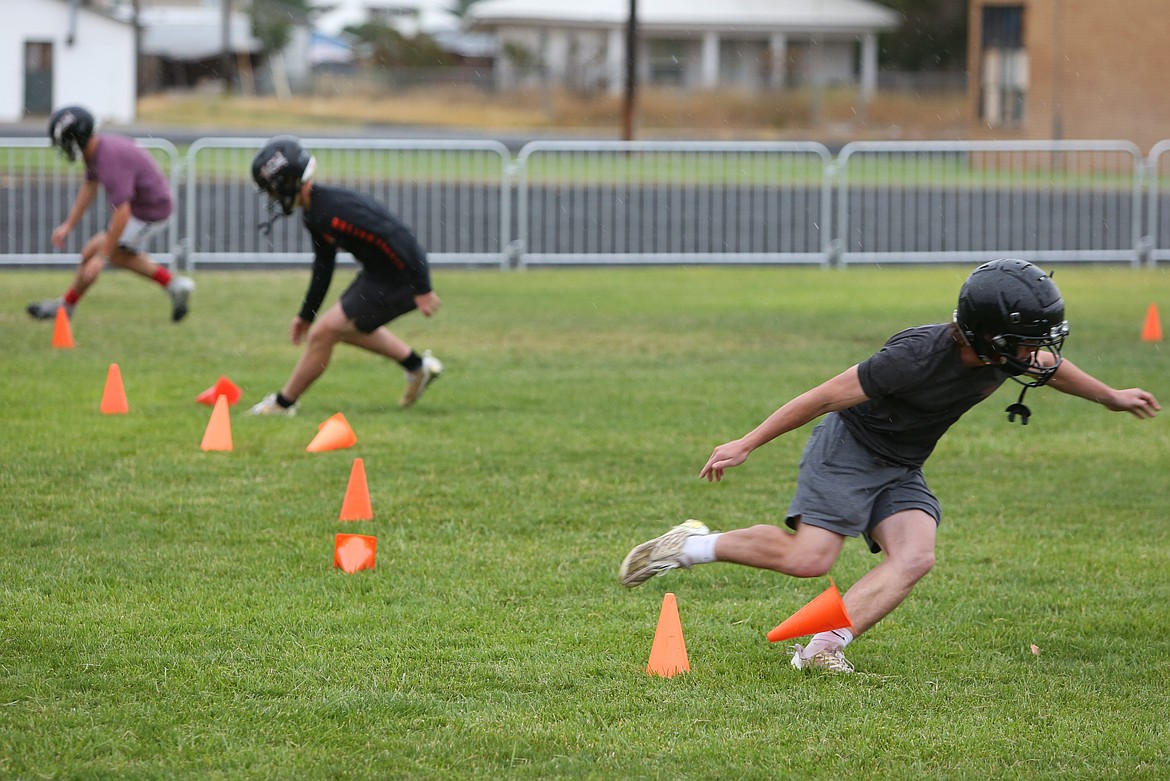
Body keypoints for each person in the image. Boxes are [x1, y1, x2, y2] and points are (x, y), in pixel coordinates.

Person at [619, 259, 1160, 673]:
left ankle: (822, 648)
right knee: (810, 559)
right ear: (988, 337)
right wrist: (747, 442)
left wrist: (1111, 396)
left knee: (915, 556)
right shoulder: (916, 357)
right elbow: (825, 395)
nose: (1037, 353)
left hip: (901, 464)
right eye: (1026, 342)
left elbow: (1055, 369)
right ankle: (688, 546)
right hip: (849, 451)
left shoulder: (1003, 353)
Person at [247, 135, 443, 416]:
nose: (272, 197)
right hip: (379, 274)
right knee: (337, 329)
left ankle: (283, 403)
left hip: (399, 278)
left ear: (287, 182)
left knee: (324, 333)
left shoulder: (332, 211)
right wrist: (306, 313)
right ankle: (417, 367)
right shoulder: (315, 212)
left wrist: (422, 287)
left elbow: (396, 235)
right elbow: (324, 266)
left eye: (272, 190)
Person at [28, 105, 195, 322]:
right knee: (92, 253)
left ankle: (66, 307)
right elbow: (90, 186)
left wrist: (103, 256)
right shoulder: (96, 150)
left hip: (150, 211)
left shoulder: (108, 158)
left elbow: (122, 213)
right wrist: (68, 224)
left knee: (106, 253)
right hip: (141, 207)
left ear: (76, 138)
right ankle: (173, 285)